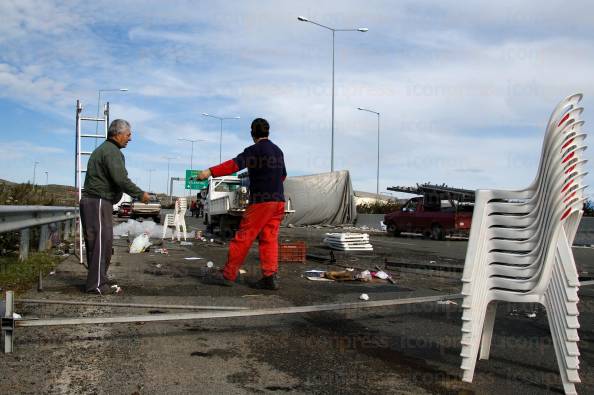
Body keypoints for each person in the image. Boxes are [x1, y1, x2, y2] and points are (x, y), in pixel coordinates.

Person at [198, 118, 286, 290]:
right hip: (278, 200)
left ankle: (228, 275)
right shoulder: (278, 151)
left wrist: (209, 171)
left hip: (261, 201)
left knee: (243, 238)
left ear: (252, 133)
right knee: (269, 239)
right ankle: (270, 277)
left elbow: (234, 165)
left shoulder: (254, 150)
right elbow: (283, 175)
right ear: (268, 132)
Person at [80, 119, 149, 295]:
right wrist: (140, 194)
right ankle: (96, 284)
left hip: (97, 202)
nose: (130, 138)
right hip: (98, 202)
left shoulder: (107, 150)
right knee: (100, 244)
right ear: (118, 134)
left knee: (101, 244)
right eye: (128, 134)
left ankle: (98, 280)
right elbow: (120, 179)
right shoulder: (111, 152)